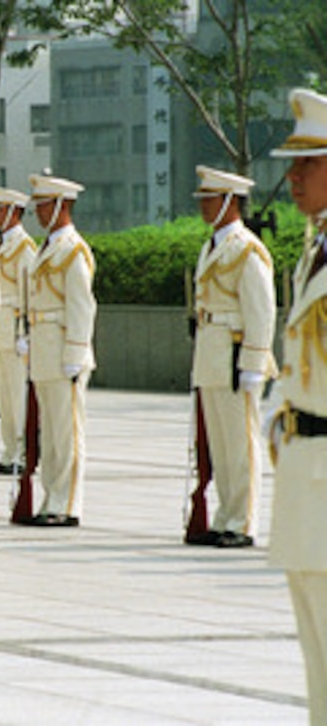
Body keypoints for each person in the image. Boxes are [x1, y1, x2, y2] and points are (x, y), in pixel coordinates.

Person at [267, 87, 327, 725]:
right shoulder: (315, 249)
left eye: (308, 163)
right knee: (317, 657)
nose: (293, 175)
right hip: (307, 475)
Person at [185, 166, 276, 548]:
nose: (204, 206)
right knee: (220, 445)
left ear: (229, 202)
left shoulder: (248, 250)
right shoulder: (213, 245)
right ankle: (225, 515)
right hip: (211, 354)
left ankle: (242, 522)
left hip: (237, 357)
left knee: (240, 444)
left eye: (210, 199)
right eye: (203, 199)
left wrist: (255, 363)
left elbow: (262, 311)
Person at [24, 174, 96, 527]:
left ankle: (67, 504)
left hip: (63, 353)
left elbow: (82, 307)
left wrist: (75, 354)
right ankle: (50, 498)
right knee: (50, 434)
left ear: (63, 206)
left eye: (45, 204)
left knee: (67, 433)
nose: (38, 211)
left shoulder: (74, 250)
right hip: (44, 350)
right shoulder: (48, 246)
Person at [0, 186, 36, 474]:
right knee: (5, 396)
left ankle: (21, 450)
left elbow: (29, 293)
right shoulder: (1, 244)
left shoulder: (24, 247)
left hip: (15, 330)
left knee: (17, 395)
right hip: (0, 331)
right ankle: (9, 450)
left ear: (14, 212)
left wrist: (26, 334)